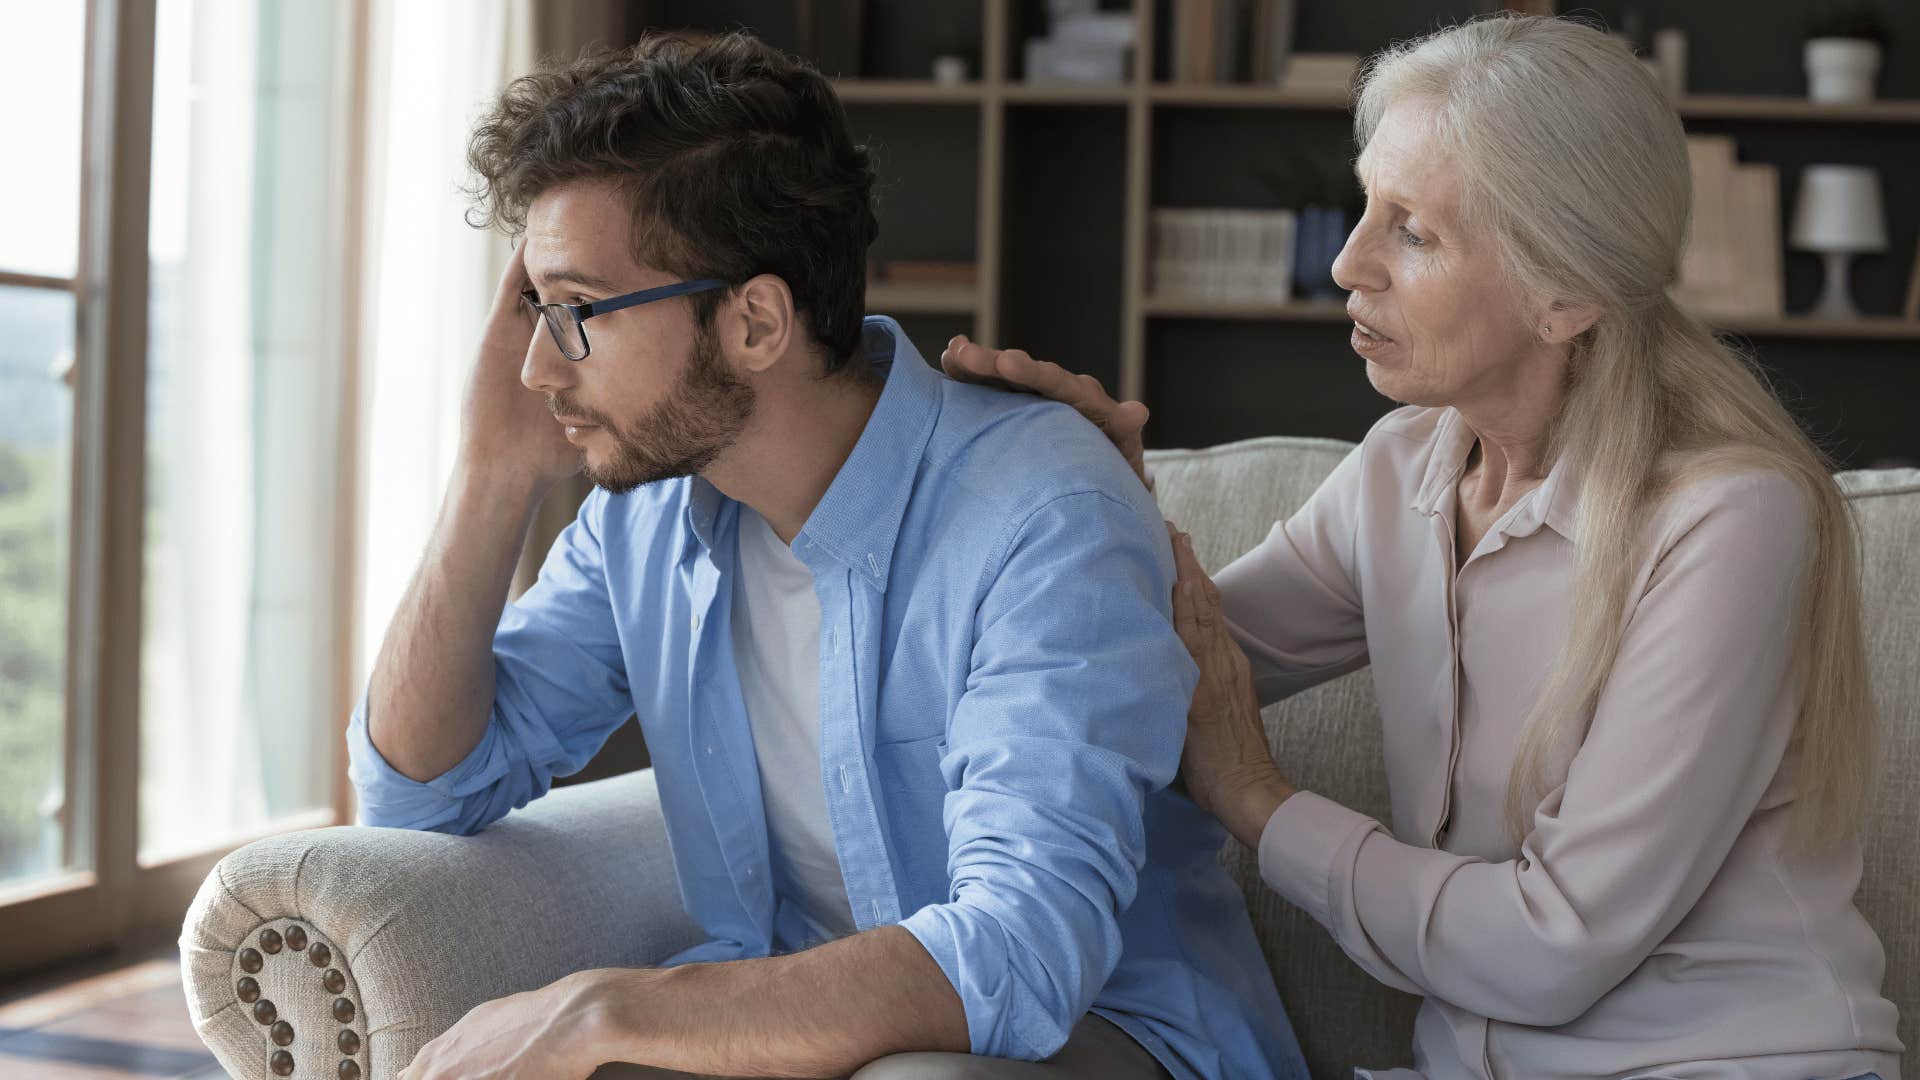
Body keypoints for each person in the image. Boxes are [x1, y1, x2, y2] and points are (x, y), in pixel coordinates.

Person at [943, 15, 1901, 1080]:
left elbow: (1555, 947)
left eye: (1414, 231)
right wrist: (1099, 495)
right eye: (1367, 206)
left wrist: (1257, 799)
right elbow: (1152, 665)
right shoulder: (1401, 472)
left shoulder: (1731, 517)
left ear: (1565, 295)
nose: (1349, 262)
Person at [349, 31, 1307, 1080]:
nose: (537, 366)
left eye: (577, 312)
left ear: (756, 321)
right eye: (536, 310)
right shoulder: (652, 518)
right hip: (806, 1019)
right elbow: (422, 794)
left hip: (1105, 1038)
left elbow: (1022, 959)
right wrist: (489, 473)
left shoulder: (1043, 514)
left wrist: (604, 1009)